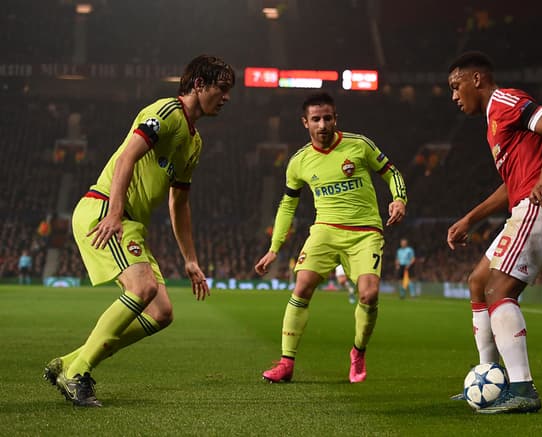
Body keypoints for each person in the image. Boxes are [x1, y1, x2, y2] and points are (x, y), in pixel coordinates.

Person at [43, 55, 235, 407]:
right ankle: (78, 373)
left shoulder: (194, 143)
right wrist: (115, 213)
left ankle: (69, 363)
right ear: (199, 85)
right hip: (104, 209)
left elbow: (179, 205)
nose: (226, 97)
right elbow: (128, 156)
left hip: (131, 222)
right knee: (143, 287)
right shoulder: (165, 112)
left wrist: (190, 260)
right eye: (222, 89)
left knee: (162, 313)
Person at [446, 51, 542, 413]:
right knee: (478, 281)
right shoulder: (492, 123)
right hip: (529, 202)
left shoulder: (505, 101)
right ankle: (489, 375)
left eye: (456, 87)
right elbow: (510, 185)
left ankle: (522, 389)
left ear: (477, 80)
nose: (454, 97)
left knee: (499, 290)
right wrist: (469, 219)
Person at [255, 92, 407, 383]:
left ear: (336, 118)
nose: (322, 124)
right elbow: (288, 204)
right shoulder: (298, 162)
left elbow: (391, 172)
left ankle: (358, 352)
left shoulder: (359, 145)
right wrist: (274, 248)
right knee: (301, 287)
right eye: (316, 119)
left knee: (369, 294)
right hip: (324, 230)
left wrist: (399, 199)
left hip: (365, 232)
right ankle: (286, 362)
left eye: (327, 118)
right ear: (305, 122)